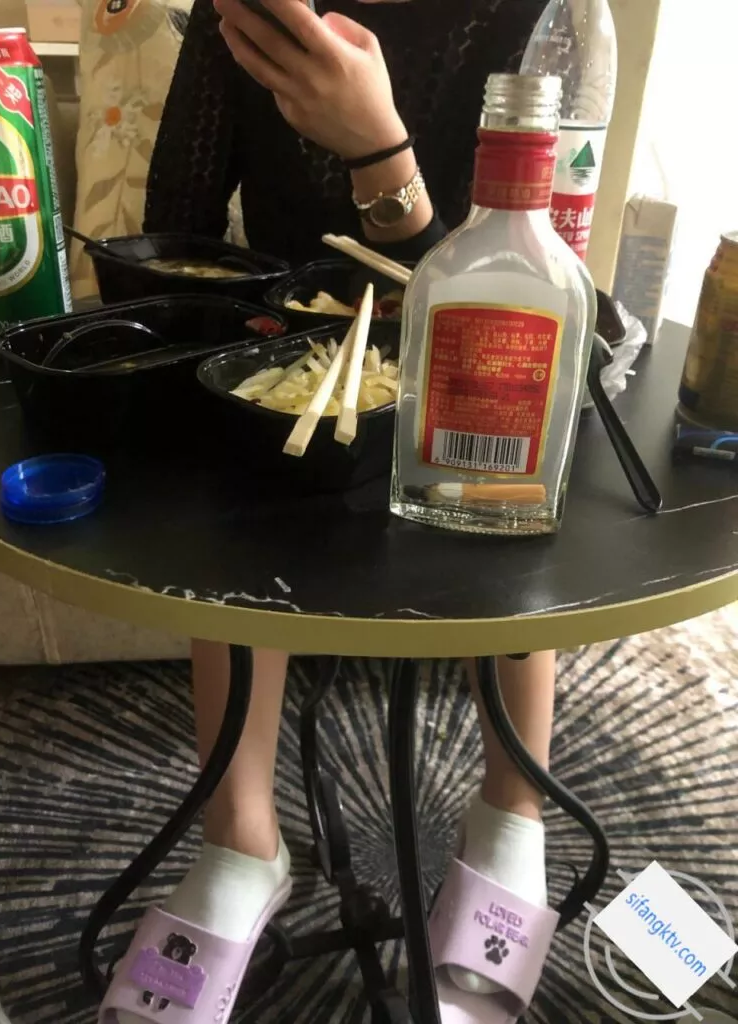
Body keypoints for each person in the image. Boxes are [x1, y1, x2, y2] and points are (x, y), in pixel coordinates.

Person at [99, 1, 557, 1021]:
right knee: (232, 478)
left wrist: (378, 153)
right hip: (293, 359)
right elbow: (176, 233)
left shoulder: (538, 13)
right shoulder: (247, 9)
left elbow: (538, 278)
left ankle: (512, 815)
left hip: (483, 353)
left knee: (519, 463)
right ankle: (242, 840)